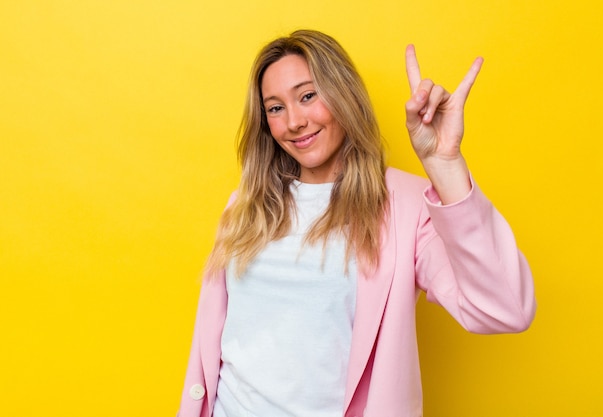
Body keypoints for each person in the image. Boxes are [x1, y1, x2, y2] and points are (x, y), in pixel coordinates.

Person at [177, 29, 536, 417]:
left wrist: (445, 165)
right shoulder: (246, 205)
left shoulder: (407, 206)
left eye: (308, 96)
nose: (294, 121)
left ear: (343, 94)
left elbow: (506, 309)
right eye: (275, 108)